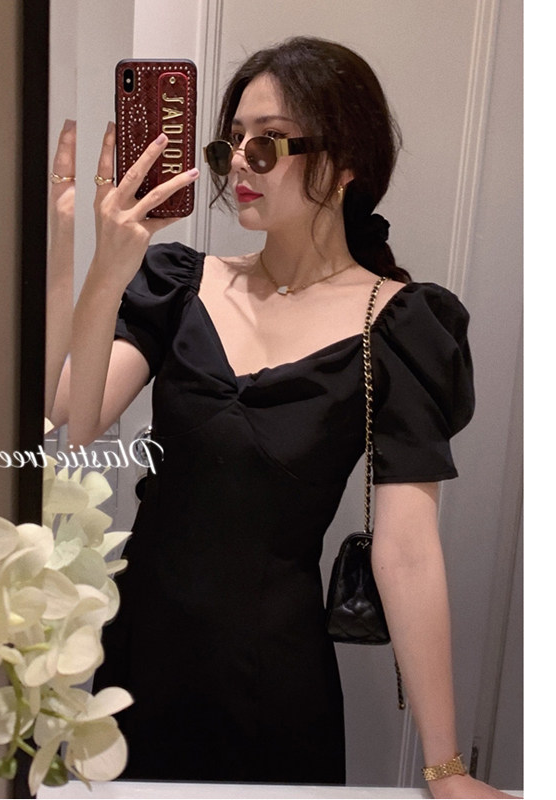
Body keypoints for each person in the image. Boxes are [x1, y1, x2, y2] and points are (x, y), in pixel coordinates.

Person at [46, 36, 512, 798]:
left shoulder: (399, 327)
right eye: (230, 144)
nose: (238, 165)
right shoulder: (179, 284)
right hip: (141, 657)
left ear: (346, 161)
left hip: (275, 681)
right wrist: (103, 271)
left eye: (266, 143)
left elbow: (407, 552)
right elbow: (77, 416)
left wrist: (446, 766)